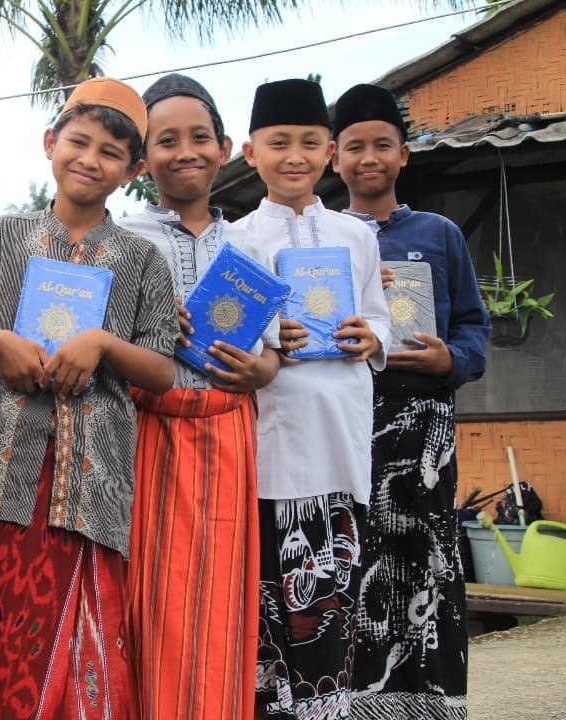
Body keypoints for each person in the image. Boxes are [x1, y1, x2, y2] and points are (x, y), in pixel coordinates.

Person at [0, 76, 178, 720]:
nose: (89, 159)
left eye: (110, 153)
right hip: (8, 474)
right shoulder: (1, 237)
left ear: (133, 171)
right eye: (77, 142)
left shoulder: (142, 259)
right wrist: (0, 339)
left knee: (91, 653)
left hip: (94, 486)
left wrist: (102, 344)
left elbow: (162, 370)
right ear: (49, 143)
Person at [117, 73, 280, 720]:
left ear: (225, 147)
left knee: (221, 604)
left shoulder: (250, 245)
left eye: (199, 137)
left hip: (228, 434)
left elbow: (275, 349)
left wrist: (261, 371)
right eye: (166, 141)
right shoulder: (124, 239)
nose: (184, 152)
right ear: (142, 159)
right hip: (148, 436)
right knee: (149, 599)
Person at [234, 78, 391, 720]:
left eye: (308, 143)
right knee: (269, 615)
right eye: (278, 143)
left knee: (333, 614)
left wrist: (370, 335)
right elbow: (231, 338)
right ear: (251, 153)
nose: (293, 156)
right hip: (269, 451)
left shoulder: (356, 236)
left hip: (338, 449)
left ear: (329, 153)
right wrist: (273, 335)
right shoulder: (238, 238)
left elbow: (380, 318)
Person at [331, 83, 489, 720]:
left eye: (382, 145)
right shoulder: (326, 240)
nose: (368, 158)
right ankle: (350, 700)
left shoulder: (439, 234)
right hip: (349, 421)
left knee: (427, 563)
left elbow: (474, 327)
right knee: (353, 559)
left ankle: (429, 704)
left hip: (424, 427)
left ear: (404, 154)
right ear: (335, 158)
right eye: (354, 147)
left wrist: (449, 361)